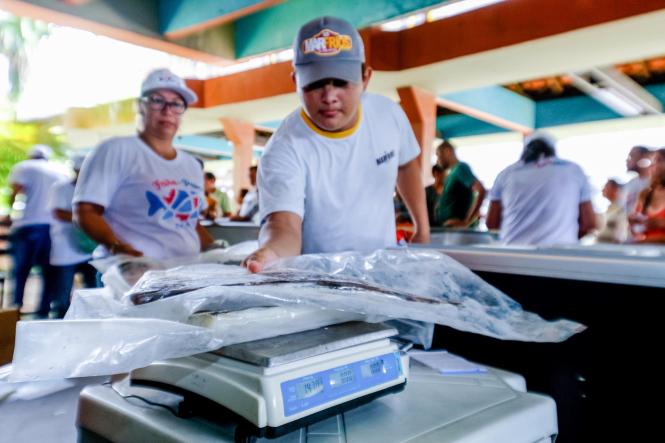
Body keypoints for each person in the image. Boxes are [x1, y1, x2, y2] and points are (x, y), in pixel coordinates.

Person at [243, 16, 429, 272]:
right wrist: (272, 253)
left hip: (385, 270)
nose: (329, 97)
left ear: (365, 78)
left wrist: (422, 228)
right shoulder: (283, 149)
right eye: (315, 84)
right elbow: (284, 224)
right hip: (322, 281)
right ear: (295, 81)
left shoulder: (389, 115)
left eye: (341, 82)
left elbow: (406, 165)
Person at [73, 68, 213, 259]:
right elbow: (86, 211)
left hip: (183, 274)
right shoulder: (116, 150)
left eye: (176, 104)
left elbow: (189, 223)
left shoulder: (192, 165)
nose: (167, 110)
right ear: (141, 106)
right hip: (130, 276)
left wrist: (217, 250)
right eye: (157, 101)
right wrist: (116, 247)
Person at [486, 132, 596, 246]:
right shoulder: (573, 171)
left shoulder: (506, 174)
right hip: (560, 254)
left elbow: (492, 223)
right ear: (552, 150)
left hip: (513, 252)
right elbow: (589, 223)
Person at [7, 144, 65, 315]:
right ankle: (43, 308)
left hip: (28, 225)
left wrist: (11, 212)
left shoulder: (24, 167)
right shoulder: (58, 170)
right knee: (48, 270)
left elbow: (16, 191)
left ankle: (15, 308)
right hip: (51, 226)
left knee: (21, 268)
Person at [48, 154, 98, 317]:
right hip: (65, 247)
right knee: (63, 291)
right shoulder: (61, 188)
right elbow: (58, 212)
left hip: (89, 247)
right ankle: (61, 320)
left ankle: (90, 319)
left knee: (93, 291)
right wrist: (86, 218)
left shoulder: (93, 189)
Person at [433, 141, 485, 227]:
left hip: (459, 233)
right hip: (448, 230)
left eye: (438, 155)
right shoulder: (452, 173)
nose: (437, 160)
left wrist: (466, 222)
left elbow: (481, 190)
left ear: (447, 151)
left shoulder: (461, 168)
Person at [629, 148, 665, 243]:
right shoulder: (645, 194)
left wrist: (662, 224)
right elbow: (636, 231)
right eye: (651, 161)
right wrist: (632, 223)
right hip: (644, 251)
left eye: (658, 160)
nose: (652, 165)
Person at [595, 179, 627, 244]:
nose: (603, 190)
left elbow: (621, 235)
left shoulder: (621, 209)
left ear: (615, 189)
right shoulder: (610, 208)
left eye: (606, 186)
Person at [622, 145, 651, 214]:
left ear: (644, 157)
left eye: (631, 156)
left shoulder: (655, 183)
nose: (627, 160)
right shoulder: (630, 184)